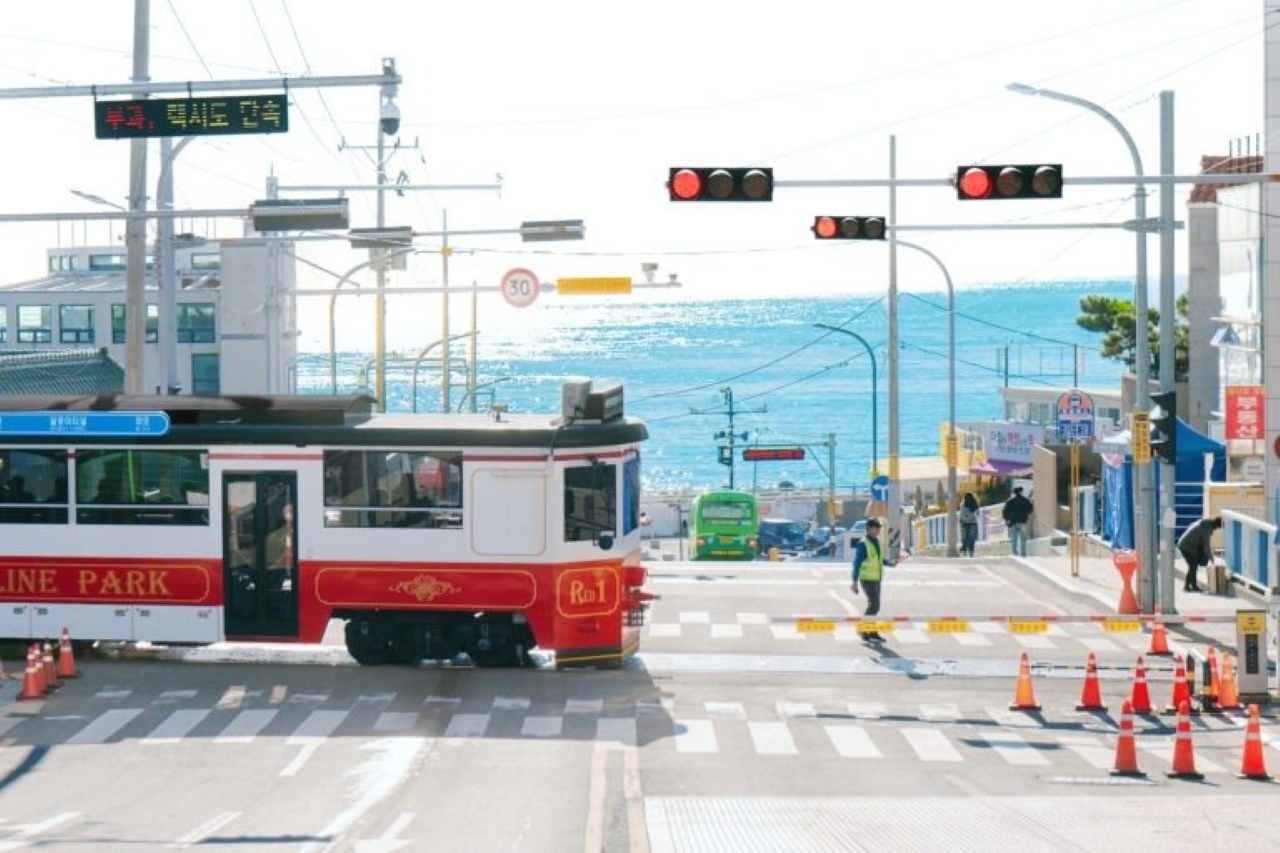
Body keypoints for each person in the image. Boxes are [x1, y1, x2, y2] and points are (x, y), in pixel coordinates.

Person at [851, 517, 886, 641]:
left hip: (876, 578)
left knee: (876, 606)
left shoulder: (876, 541)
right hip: (867, 579)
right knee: (873, 605)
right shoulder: (863, 543)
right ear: (868, 528)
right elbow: (857, 563)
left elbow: (879, 559)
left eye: (878, 528)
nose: (877, 531)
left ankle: (871, 632)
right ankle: (863, 630)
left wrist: (890, 562)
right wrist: (854, 582)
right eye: (875, 528)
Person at [1178, 516, 1222, 592]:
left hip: (1188, 545)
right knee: (1193, 565)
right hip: (1185, 546)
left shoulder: (1205, 523)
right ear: (1216, 525)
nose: (1216, 530)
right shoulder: (1206, 529)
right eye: (1217, 528)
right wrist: (1212, 559)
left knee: (1193, 565)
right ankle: (1190, 586)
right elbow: (1206, 546)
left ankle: (1189, 586)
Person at [1002, 486, 1034, 557]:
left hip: (1012, 523)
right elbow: (1030, 509)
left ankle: (1015, 554)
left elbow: (1005, 511)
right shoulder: (1025, 500)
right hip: (1022, 522)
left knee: (1014, 539)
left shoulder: (1010, 500)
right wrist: (1025, 513)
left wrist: (1007, 519)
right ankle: (1023, 554)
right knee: (1023, 539)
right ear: (1021, 492)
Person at [958, 492, 980, 557]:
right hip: (973, 523)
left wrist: (962, 519)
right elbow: (978, 514)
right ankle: (971, 552)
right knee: (971, 539)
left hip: (964, 524)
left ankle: (964, 552)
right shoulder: (975, 505)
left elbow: (961, 516)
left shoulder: (962, 506)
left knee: (964, 539)